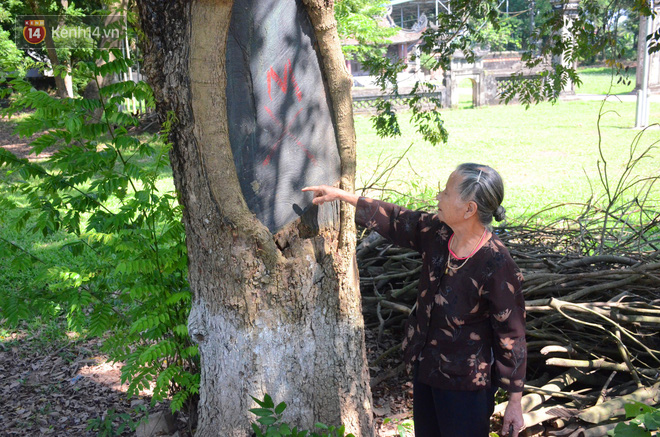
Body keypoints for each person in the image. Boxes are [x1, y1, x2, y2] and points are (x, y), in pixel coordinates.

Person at [303, 163, 526, 437]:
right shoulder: (438, 233)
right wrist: (343, 196)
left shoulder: (497, 264)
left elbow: (511, 335)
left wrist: (514, 401)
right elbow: (397, 218)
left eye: (446, 192)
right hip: (426, 370)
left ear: (469, 209)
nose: (438, 196)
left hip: (465, 386)